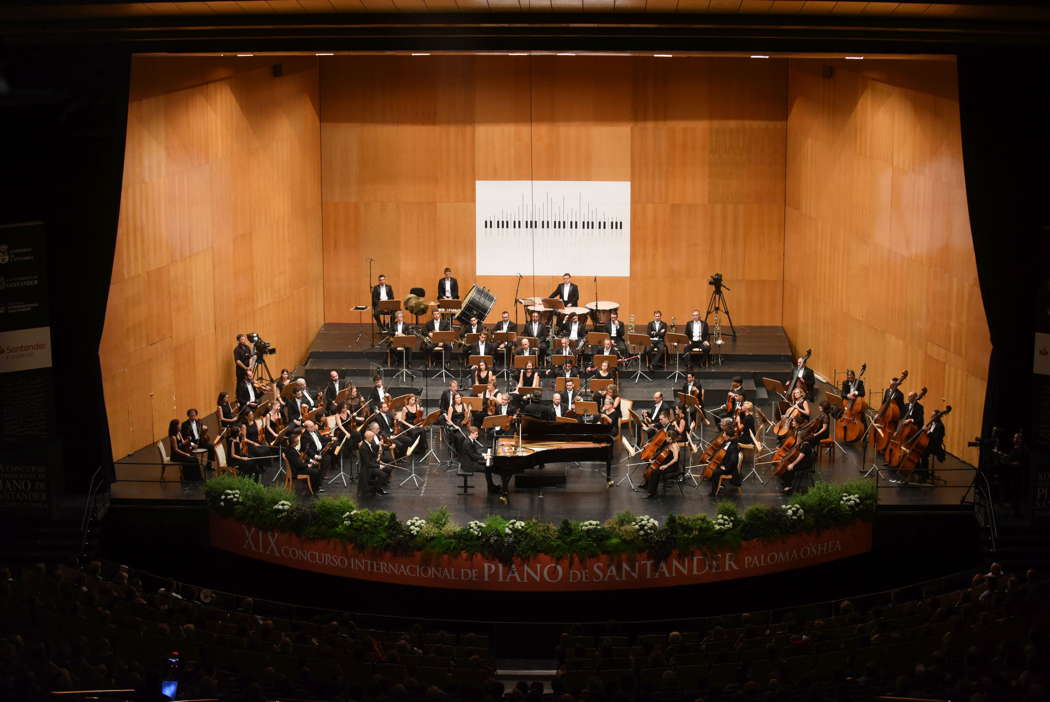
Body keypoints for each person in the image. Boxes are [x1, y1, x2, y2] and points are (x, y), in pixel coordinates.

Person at [641, 429, 683, 499]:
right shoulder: (669, 443)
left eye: (666, 437)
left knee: (655, 472)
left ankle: (652, 493)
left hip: (672, 466)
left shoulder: (674, 446)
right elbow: (661, 453)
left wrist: (666, 466)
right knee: (652, 467)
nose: (665, 438)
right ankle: (649, 487)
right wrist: (654, 460)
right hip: (667, 463)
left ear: (670, 437)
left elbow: (675, 459)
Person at [708, 419, 741, 496]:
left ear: (728, 436)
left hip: (730, 469)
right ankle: (715, 483)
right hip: (726, 464)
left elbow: (733, 460)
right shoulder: (728, 442)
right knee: (714, 468)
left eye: (724, 435)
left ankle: (714, 492)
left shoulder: (733, 446)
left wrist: (725, 467)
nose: (723, 435)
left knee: (716, 471)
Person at [299, 420, 331, 492]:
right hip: (312, 455)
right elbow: (306, 449)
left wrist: (331, 438)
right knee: (325, 460)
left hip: (320, 452)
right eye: (311, 427)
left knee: (328, 458)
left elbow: (321, 438)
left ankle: (321, 476)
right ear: (307, 428)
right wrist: (315, 456)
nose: (314, 427)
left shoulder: (315, 431)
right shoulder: (304, 436)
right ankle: (318, 483)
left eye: (313, 425)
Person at [358, 425, 390, 496]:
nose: (373, 439)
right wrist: (379, 466)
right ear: (368, 438)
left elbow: (373, 450)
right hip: (368, 468)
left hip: (372, 464)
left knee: (387, 469)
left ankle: (378, 487)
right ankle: (374, 488)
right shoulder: (363, 448)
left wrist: (379, 446)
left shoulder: (369, 443)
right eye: (372, 437)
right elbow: (367, 463)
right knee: (383, 475)